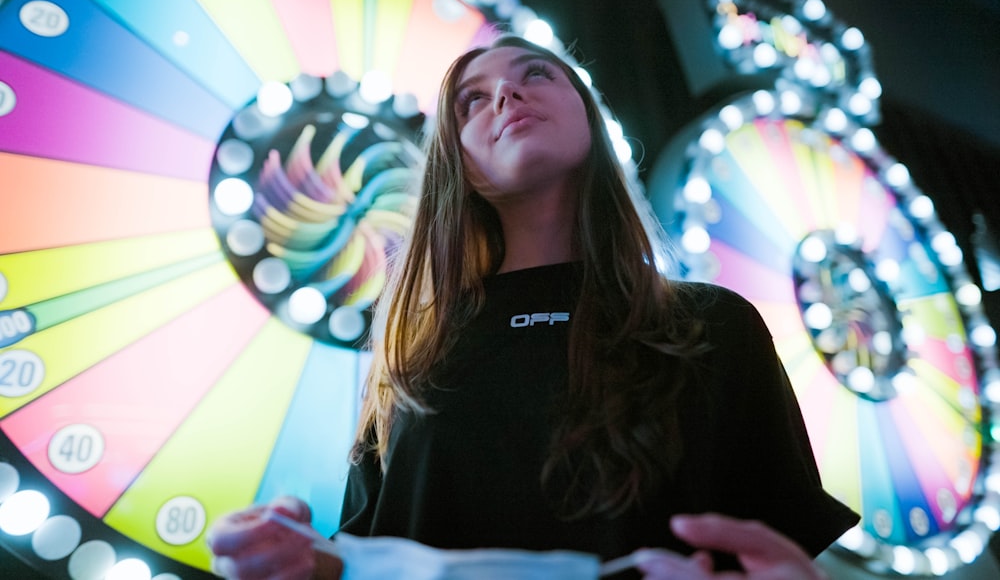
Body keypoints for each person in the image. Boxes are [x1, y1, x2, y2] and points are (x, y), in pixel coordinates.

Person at [208, 35, 859, 579]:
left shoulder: (712, 325)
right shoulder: (409, 362)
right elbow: (362, 557)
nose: (504, 95)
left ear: (588, 114)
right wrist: (289, 556)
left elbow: (775, 547)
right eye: (470, 99)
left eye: (535, 73)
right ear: (453, 166)